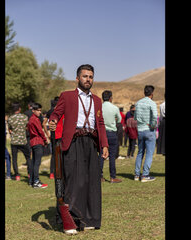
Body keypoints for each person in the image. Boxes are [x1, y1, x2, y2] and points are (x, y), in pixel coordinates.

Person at [49, 64, 109, 235]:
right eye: (84, 76)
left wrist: (104, 144)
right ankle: (70, 221)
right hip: (73, 142)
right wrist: (52, 121)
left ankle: (89, 219)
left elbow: (101, 124)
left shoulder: (97, 100)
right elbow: (56, 113)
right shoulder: (67, 96)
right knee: (74, 181)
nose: (88, 79)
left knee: (91, 181)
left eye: (90, 76)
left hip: (91, 143)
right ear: (77, 78)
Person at [134, 85, 158, 182]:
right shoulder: (152, 103)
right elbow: (155, 116)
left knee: (140, 152)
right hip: (149, 130)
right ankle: (145, 175)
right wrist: (153, 125)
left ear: (144, 93)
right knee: (149, 153)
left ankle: (136, 175)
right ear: (152, 94)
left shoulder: (138, 103)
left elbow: (135, 117)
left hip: (140, 130)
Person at [100, 90, 122, 183]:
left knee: (101, 155)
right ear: (110, 98)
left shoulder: (99, 107)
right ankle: (113, 177)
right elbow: (119, 120)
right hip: (111, 133)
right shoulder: (115, 108)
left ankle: (100, 176)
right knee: (112, 156)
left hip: (101, 133)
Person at [27, 102, 49, 188]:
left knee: (33, 162)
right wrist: (45, 140)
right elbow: (40, 131)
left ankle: (31, 181)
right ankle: (36, 181)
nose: (40, 112)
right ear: (33, 111)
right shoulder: (35, 119)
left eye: (40, 110)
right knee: (37, 163)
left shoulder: (30, 119)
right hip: (38, 141)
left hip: (32, 141)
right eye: (38, 110)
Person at [8, 103, 31, 181]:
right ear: (19, 109)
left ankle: (17, 175)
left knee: (14, 159)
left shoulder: (10, 118)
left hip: (14, 141)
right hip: (23, 141)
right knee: (28, 157)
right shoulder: (25, 117)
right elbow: (28, 127)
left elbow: (10, 129)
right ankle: (29, 174)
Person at [43, 96, 60, 179]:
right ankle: (59, 172)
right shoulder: (61, 110)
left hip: (52, 135)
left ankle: (51, 174)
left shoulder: (50, 111)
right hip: (60, 135)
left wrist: (48, 134)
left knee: (53, 154)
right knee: (61, 154)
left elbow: (44, 123)